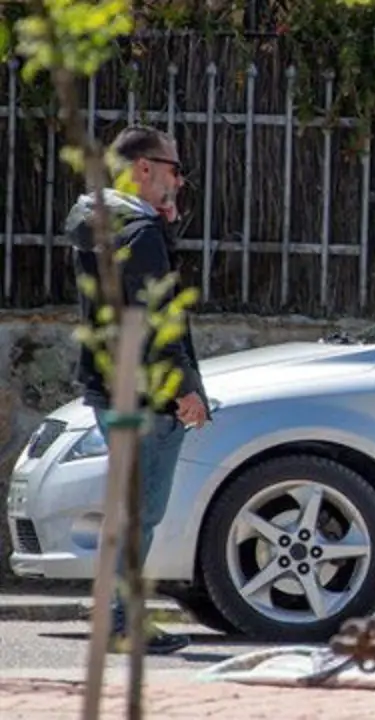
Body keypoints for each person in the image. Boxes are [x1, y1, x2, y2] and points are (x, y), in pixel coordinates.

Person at [68, 125, 210, 655]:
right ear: (143, 168)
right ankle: (122, 623)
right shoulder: (141, 232)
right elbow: (156, 317)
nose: (179, 181)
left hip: (108, 386)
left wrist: (163, 224)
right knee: (141, 516)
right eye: (173, 170)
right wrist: (184, 389)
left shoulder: (97, 220)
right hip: (148, 394)